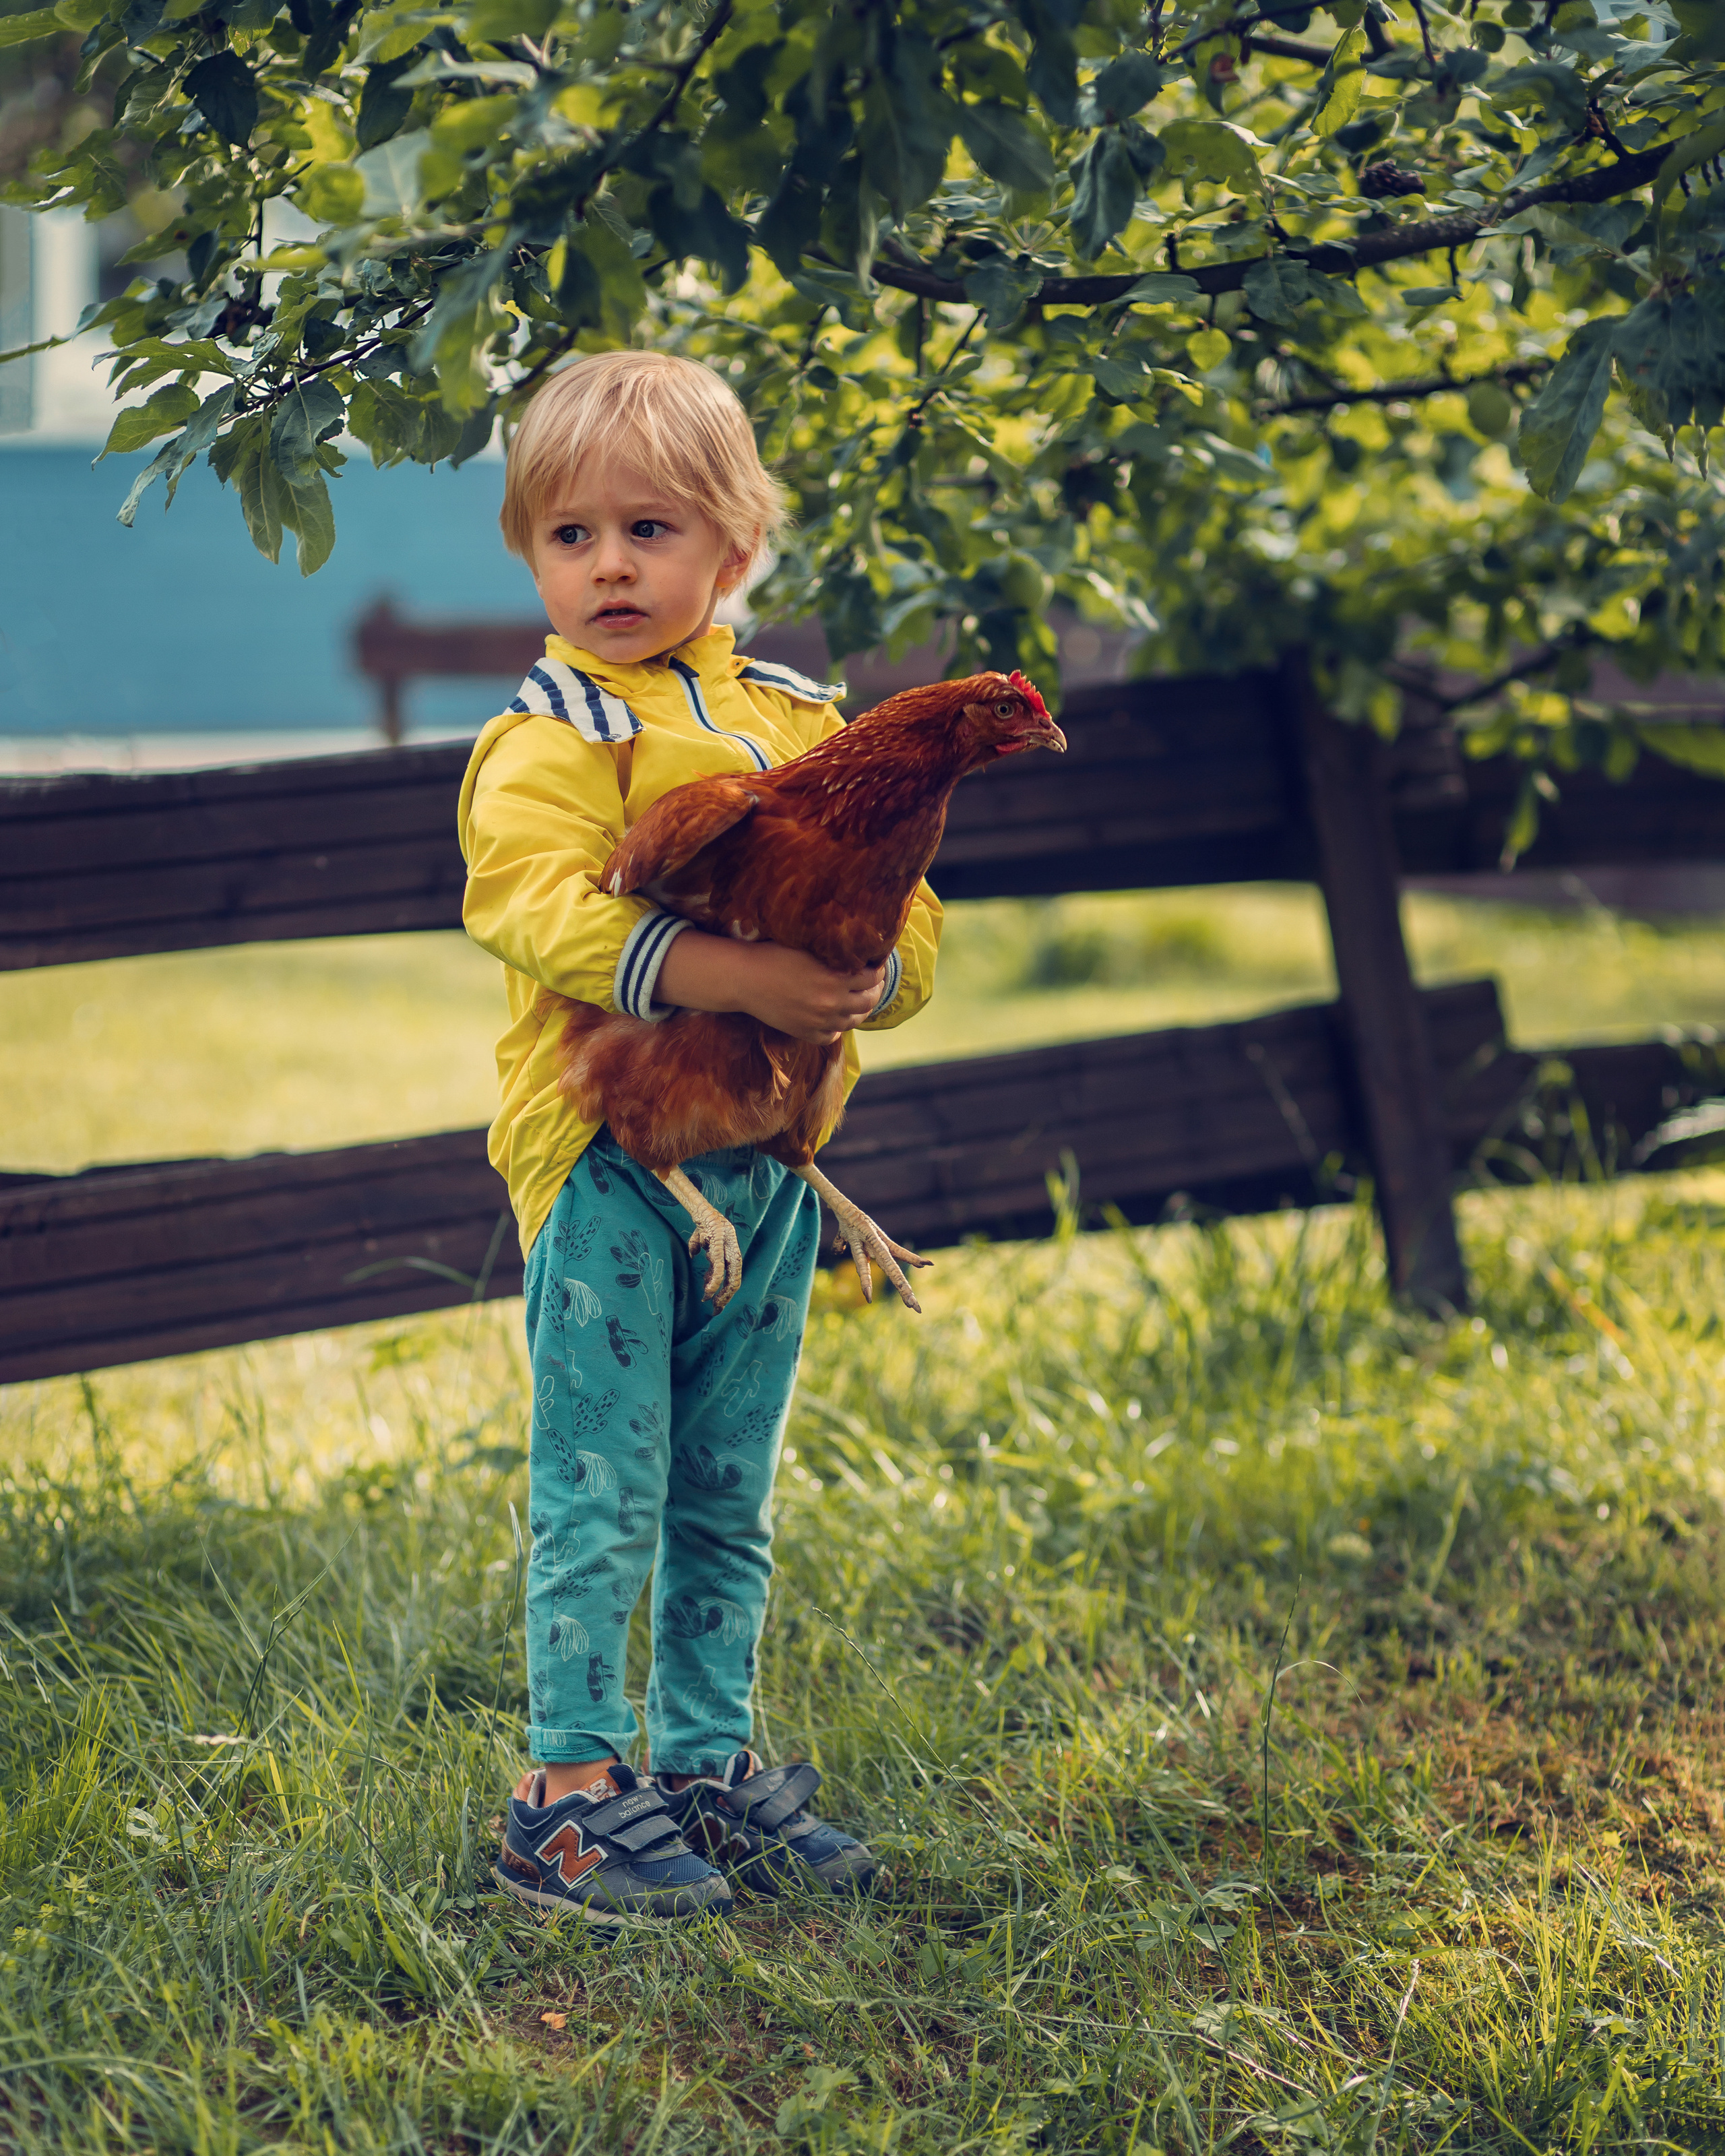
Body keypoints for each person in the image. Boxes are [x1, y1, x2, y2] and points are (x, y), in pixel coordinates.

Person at [458, 350, 942, 1924]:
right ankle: (572, 1793)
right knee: (605, 1478)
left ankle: (704, 1766)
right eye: (572, 533)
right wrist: (738, 972)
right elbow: (525, 906)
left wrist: (869, 977)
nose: (608, 564)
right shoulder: (549, 731)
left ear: (732, 552)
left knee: (727, 1483)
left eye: (649, 530)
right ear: (533, 551)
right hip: (611, 1162)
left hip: (773, 1168)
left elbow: (906, 911)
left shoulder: (805, 721)